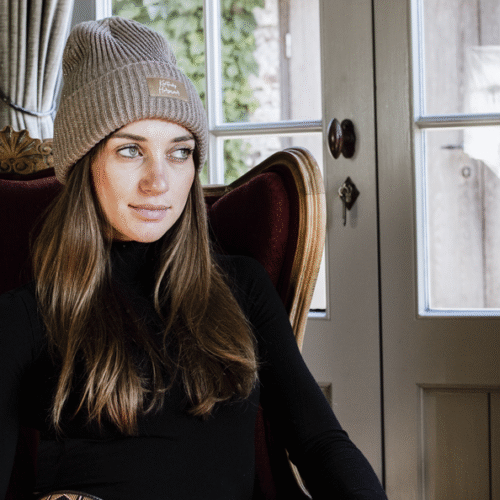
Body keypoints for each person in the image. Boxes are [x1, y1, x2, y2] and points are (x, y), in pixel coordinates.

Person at [0, 16, 387, 500]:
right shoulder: (27, 316)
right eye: (130, 150)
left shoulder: (242, 287)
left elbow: (321, 444)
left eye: (179, 152)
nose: (158, 182)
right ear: (83, 163)